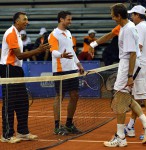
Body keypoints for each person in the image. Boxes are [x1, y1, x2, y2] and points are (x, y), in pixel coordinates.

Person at [103, 3, 146, 147]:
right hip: (129, 66)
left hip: (127, 67)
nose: (112, 18)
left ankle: (121, 137)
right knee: (128, 99)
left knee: (119, 101)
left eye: (113, 16)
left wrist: (129, 75)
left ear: (118, 16)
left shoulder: (128, 29)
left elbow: (133, 53)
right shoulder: (128, 27)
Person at [0, 12, 50, 143]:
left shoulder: (18, 34)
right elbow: (19, 55)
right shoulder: (11, 33)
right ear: (17, 21)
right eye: (24, 20)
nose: (27, 22)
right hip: (8, 69)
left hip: (17, 69)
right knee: (9, 103)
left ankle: (23, 131)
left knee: (22, 102)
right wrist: (38, 50)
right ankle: (7, 135)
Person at [48, 11, 84, 135]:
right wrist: (61, 55)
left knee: (75, 96)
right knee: (59, 97)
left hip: (72, 69)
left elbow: (72, 51)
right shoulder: (53, 35)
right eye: (68, 19)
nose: (70, 22)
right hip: (60, 71)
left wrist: (78, 64)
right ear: (61, 19)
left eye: (70, 19)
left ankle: (69, 124)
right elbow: (53, 51)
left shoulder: (68, 33)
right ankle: (57, 126)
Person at [124, 5, 146, 140]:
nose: (131, 17)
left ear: (138, 15)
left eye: (133, 15)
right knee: (136, 98)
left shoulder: (139, 28)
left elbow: (138, 47)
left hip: (142, 66)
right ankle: (130, 126)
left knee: (145, 97)